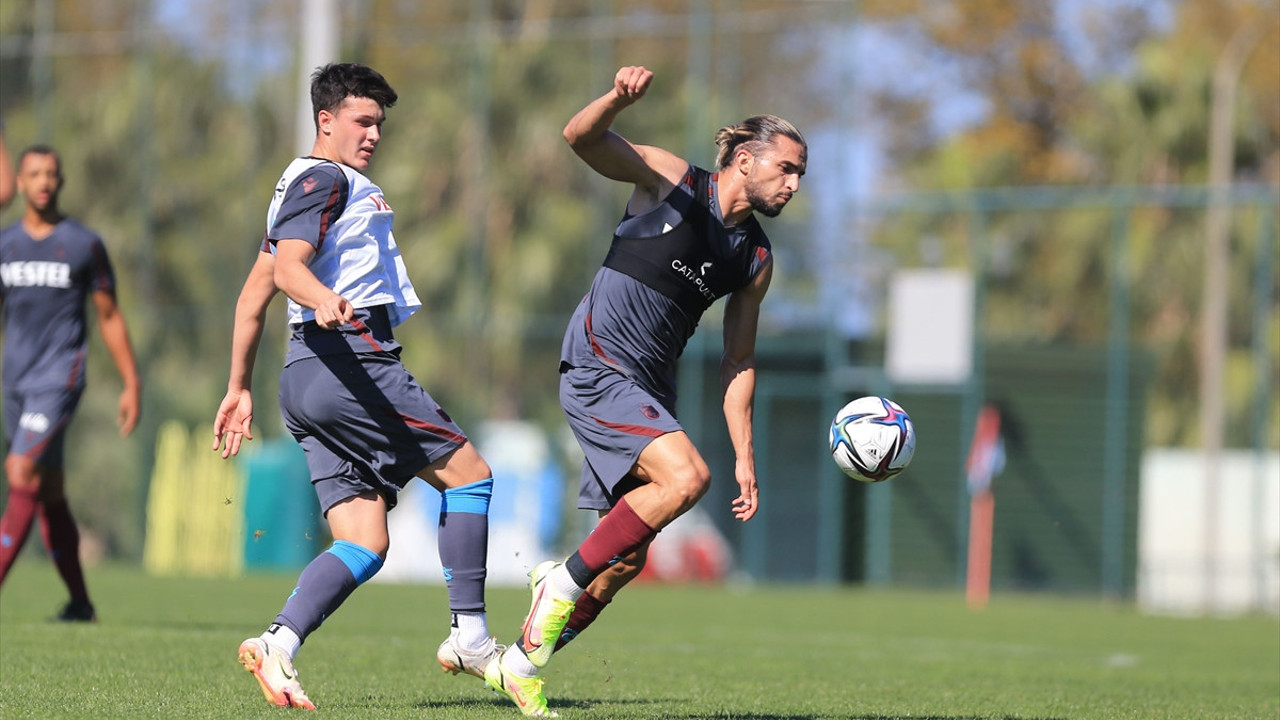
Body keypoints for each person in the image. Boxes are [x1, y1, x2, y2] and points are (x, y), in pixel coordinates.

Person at [483, 66, 806, 717]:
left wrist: (746, 454)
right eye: (786, 169)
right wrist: (615, 99)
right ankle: (559, 582)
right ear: (745, 160)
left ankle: (515, 664)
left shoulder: (756, 260)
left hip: (646, 385)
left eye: (801, 175)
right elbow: (580, 137)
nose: (794, 185)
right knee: (686, 479)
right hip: (598, 362)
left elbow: (738, 360)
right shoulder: (673, 182)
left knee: (624, 560)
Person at [211, 63, 499, 710]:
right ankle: (471, 636)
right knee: (471, 476)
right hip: (346, 359)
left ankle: (278, 644)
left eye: (379, 124)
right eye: (362, 121)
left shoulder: (297, 188)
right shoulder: (323, 177)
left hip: (302, 377)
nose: (373, 134)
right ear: (326, 120)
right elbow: (288, 272)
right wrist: (324, 299)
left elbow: (254, 293)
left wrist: (239, 386)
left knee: (364, 540)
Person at [0, 145, 142, 620]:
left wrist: (131, 383)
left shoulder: (83, 244)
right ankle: (80, 604)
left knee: (20, 470)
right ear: (19, 183)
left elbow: (109, 315)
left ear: (61, 182)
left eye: (51, 174)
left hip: (60, 377)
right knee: (50, 490)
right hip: (14, 382)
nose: (43, 181)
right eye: (34, 173)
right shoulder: (5, 246)